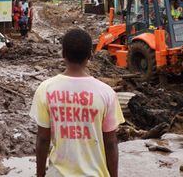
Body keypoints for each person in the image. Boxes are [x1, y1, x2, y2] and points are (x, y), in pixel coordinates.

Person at [30, 28, 124, 177]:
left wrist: (40, 175)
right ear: (90, 55)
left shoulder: (46, 89)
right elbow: (111, 143)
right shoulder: (106, 93)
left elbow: (42, 139)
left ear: (63, 54)